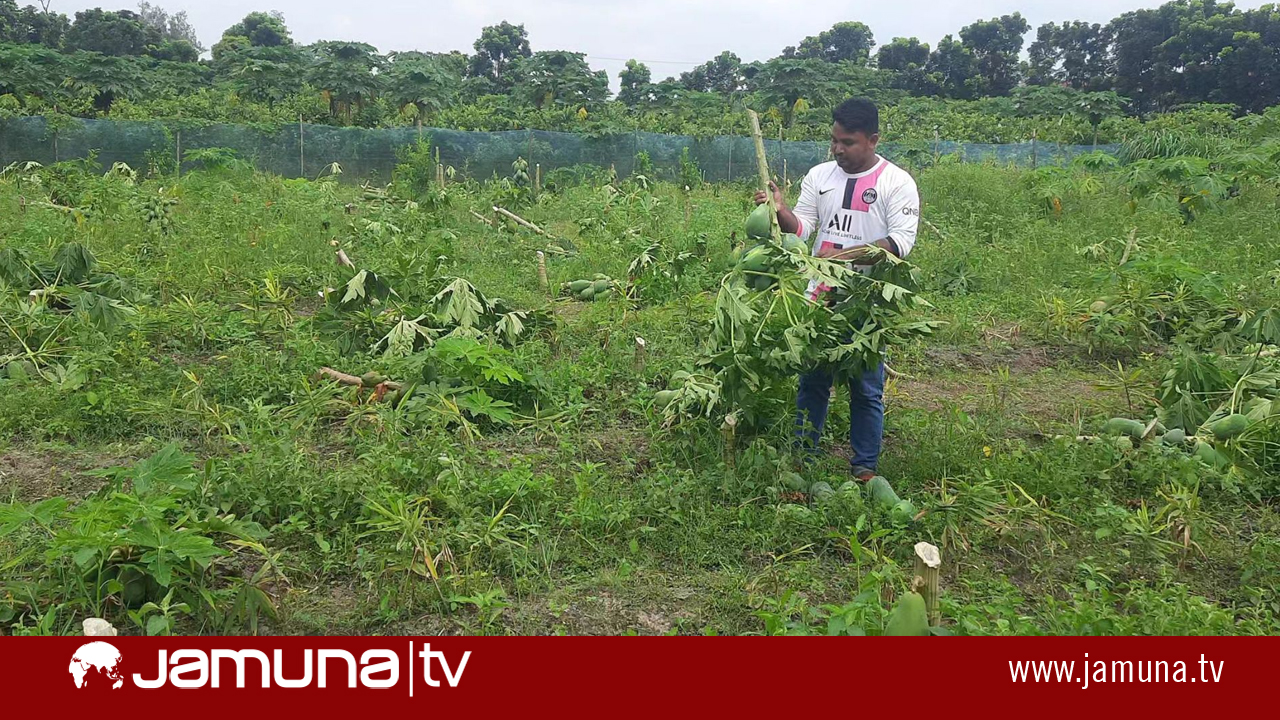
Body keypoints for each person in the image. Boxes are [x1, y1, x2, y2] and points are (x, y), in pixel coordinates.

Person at [753, 97, 921, 481]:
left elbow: (898, 245)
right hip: (820, 295)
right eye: (835, 141)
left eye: (849, 142)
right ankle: (803, 456)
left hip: (868, 301)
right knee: (812, 380)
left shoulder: (897, 183)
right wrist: (780, 211)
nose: (838, 149)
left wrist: (840, 258)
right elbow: (804, 228)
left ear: (873, 140)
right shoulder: (819, 176)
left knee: (866, 388)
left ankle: (864, 467)